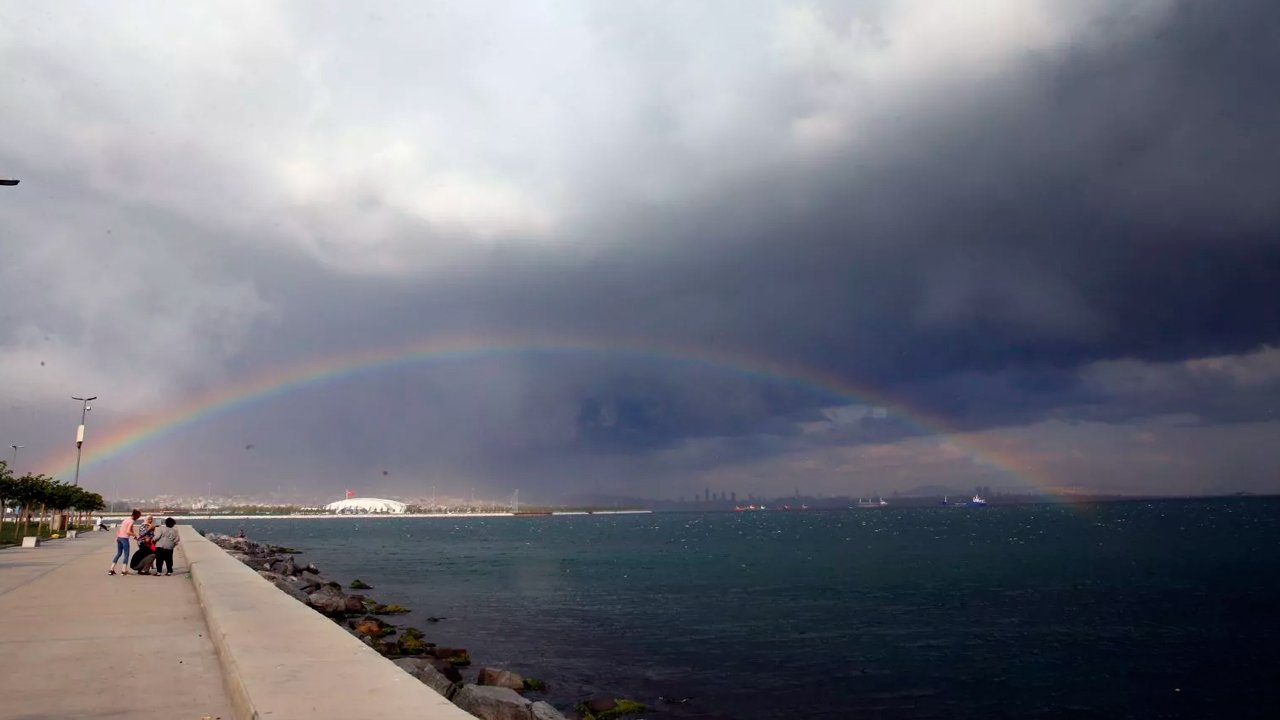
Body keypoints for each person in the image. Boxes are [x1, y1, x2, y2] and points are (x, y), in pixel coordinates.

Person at [109, 509, 140, 575]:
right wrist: (135, 535)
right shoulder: (131, 521)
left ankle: (111, 569)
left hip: (119, 538)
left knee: (118, 554)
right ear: (136, 516)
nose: (138, 518)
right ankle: (124, 570)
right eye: (138, 517)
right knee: (126, 555)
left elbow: (127, 529)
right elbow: (128, 531)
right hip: (124, 539)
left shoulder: (126, 520)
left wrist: (133, 535)